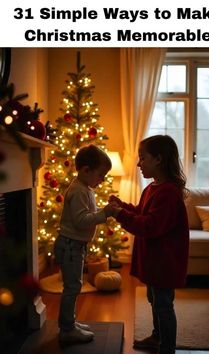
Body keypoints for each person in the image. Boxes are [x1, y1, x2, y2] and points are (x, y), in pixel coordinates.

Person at [108, 135, 189, 354]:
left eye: (142, 158)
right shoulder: (152, 188)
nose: (138, 163)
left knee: (163, 305)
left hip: (165, 262)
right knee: (154, 299)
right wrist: (122, 206)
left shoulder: (169, 193)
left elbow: (151, 226)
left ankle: (167, 347)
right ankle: (157, 336)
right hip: (155, 261)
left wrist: (119, 215)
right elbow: (141, 212)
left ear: (159, 159)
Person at [54, 144, 114, 344]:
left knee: (74, 286)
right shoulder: (79, 191)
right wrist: (103, 214)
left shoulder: (84, 188)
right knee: (72, 287)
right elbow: (81, 221)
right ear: (86, 170)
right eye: (101, 175)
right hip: (71, 245)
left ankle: (69, 323)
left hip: (74, 245)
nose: (102, 179)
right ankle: (67, 329)